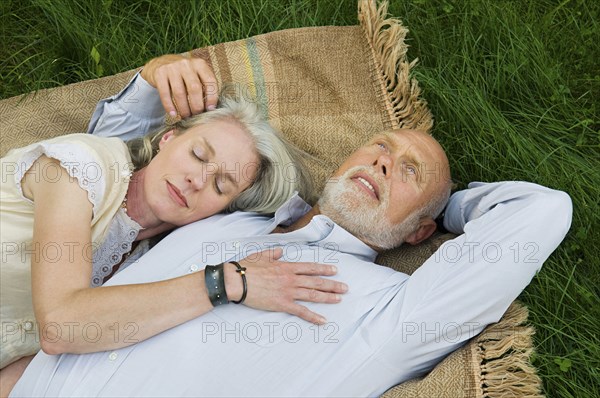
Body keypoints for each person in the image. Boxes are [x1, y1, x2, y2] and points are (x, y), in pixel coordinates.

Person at [9, 128, 572, 397]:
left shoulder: (392, 312)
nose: (382, 164)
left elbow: (544, 211)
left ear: (421, 230)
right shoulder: (230, 213)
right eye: (380, 147)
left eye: (408, 173)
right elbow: (147, 161)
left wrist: (451, 206)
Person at [0, 55, 349, 383]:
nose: (197, 180)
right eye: (198, 155)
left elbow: (32, 357)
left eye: (220, 184)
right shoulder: (83, 166)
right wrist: (225, 283)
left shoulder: (148, 258)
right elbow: (62, 325)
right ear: (167, 138)